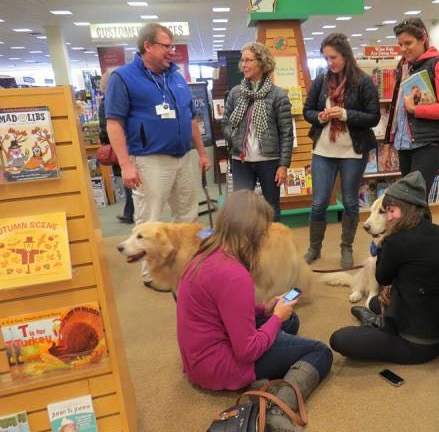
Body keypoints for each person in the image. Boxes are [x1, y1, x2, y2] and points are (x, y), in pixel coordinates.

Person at [177, 190, 332, 432]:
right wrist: (276, 319)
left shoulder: (206, 254)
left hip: (197, 360)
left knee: (289, 323)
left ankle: (267, 377)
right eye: (262, 234)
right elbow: (247, 349)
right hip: (219, 366)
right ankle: (276, 411)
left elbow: (222, 308)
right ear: (250, 234)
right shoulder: (234, 274)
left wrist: (266, 308)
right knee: (320, 352)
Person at [104, 23, 211, 292]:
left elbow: (191, 119)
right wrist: (126, 164)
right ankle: (150, 273)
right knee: (149, 217)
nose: (171, 52)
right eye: (166, 46)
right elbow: (114, 123)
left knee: (186, 216)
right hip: (149, 159)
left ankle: (186, 267)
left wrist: (200, 152)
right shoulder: (124, 77)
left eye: (172, 46)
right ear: (147, 46)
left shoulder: (176, 76)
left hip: (183, 156)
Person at [329, 171, 439, 364]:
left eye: (391, 211)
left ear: (407, 209)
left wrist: (382, 245)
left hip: (417, 343)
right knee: (374, 303)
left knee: (339, 338)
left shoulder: (395, 242)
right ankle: (376, 317)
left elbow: (383, 278)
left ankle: (376, 323)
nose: (389, 217)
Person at [303, 32, 380, 268]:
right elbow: (308, 111)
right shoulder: (321, 81)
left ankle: (346, 248)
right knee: (318, 203)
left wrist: (345, 114)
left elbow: (374, 117)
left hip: (352, 152)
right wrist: (321, 117)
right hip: (323, 151)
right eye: (326, 58)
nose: (330, 63)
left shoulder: (363, 81)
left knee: (349, 202)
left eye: (333, 57)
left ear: (345, 55)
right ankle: (314, 248)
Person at [384, 18, 439, 220]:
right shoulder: (405, 66)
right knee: (406, 201)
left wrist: (416, 110)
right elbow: (399, 107)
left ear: (423, 38)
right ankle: (411, 243)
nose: (403, 49)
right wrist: (390, 140)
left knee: (416, 199)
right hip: (405, 144)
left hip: (427, 143)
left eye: (408, 43)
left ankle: (424, 245)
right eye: (400, 44)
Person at [222, 41, 293, 222]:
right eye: (242, 61)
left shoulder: (278, 95)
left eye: (248, 60)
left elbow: (286, 133)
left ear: (262, 63)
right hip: (241, 161)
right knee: (241, 208)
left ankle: (273, 245)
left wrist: (283, 165)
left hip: (269, 161)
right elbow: (226, 123)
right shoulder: (236, 93)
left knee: (271, 207)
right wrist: (234, 138)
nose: (243, 65)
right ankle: (245, 246)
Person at [98, 69, 134, 224]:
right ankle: (129, 211)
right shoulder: (118, 100)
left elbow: (104, 127)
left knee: (129, 180)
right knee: (130, 179)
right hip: (126, 146)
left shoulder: (106, 102)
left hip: (119, 147)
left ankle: (129, 212)